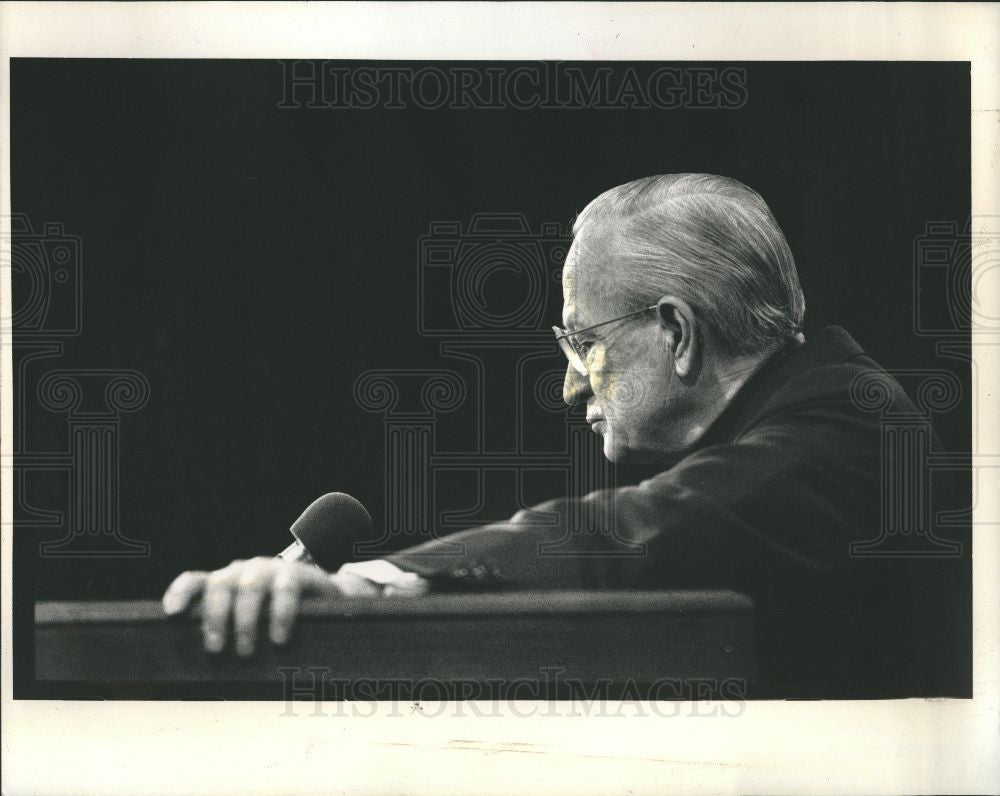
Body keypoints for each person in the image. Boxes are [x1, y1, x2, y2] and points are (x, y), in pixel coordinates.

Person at [163, 173, 966, 696]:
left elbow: (621, 536)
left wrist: (362, 585)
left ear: (678, 332)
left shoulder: (851, 430)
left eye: (584, 343)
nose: (569, 382)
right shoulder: (813, 411)